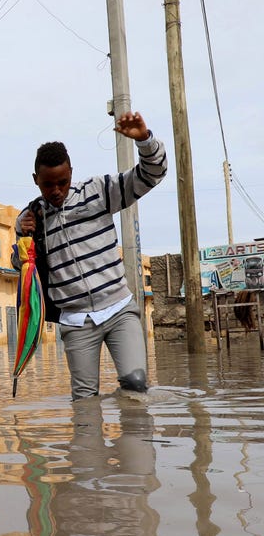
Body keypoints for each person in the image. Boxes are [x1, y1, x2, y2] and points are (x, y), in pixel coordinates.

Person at [14, 111, 167, 400]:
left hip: (119, 310)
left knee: (136, 386)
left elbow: (152, 174)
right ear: (36, 180)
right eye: (48, 185)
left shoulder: (98, 192)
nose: (56, 190)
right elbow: (23, 270)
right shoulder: (30, 218)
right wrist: (24, 238)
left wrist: (145, 141)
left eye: (62, 181)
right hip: (76, 321)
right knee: (84, 400)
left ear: (71, 171)